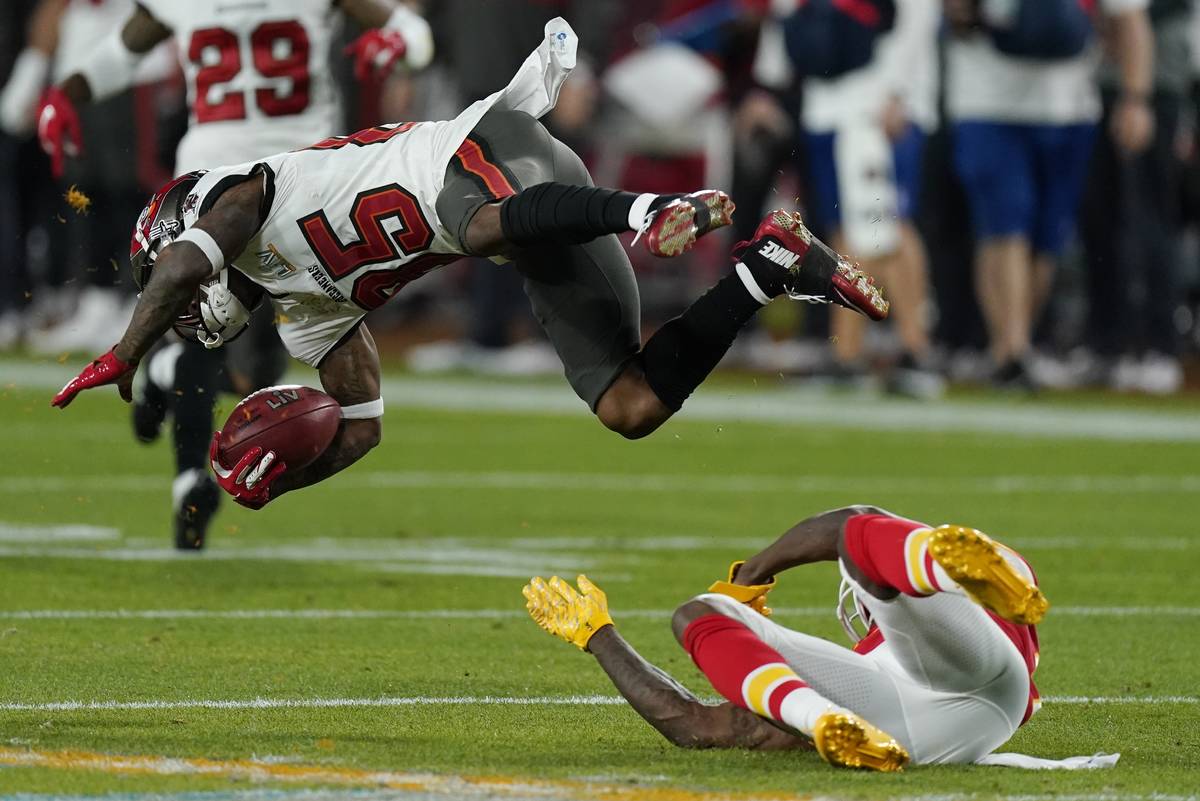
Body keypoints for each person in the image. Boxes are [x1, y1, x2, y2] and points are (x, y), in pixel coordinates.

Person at [49, 20, 889, 511]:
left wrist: (125, 351)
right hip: (520, 216)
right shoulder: (305, 315)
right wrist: (281, 477)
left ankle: (646, 207)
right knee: (628, 406)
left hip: (482, 151)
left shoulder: (240, 198)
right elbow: (363, 423)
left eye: (179, 282)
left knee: (482, 230)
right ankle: (770, 265)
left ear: (184, 237)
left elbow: (179, 272)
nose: (190, 310)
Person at [34, 0, 433, 548]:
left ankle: (168, 396)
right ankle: (185, 452)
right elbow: (411, 30)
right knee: (236, 347)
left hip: (212, 188)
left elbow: (123, 53)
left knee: (219, 347)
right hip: (300, 188)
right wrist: (400, 47)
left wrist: (66, 94)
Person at [523, 507, 1063, 771]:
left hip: (929, 701)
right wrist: (754, 574)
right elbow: (849, 524)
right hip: (952, 702)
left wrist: (601, 637)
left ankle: (813, 717)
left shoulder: (893, 638)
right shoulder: (889, 644)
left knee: (696, 615)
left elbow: (693, 725)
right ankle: (937, 562)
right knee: (704, 610)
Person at [943, 0, 1155, 389]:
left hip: (1067, 104)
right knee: (1005, 223)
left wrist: (1136, 98)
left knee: (1046, 238)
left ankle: (1008, 349)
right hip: (987, 100)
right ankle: (1013, 349)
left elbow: (1130, 18)